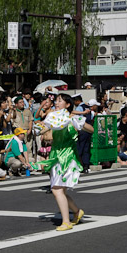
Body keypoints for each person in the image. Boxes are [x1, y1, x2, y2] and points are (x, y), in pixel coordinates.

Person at [33, 94, 95, 231]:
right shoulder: (52, 116)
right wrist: (38, 129)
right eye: (56, 100)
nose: (56, 103)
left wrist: (79, 122)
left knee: (57, 189)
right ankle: (77, 212)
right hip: (55, 155)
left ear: (67, 104)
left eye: (60, 101)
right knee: (60, 190)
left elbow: (91, 129)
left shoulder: (71, 117)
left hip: (68, 156)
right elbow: (45, 129)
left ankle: (66, 221)